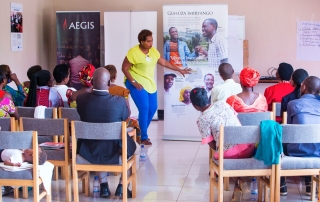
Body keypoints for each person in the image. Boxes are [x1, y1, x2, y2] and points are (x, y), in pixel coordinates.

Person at [122, 29, 191, 145]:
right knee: (144, 108)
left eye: (151, 41)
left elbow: (164, 62)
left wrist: (180, 70)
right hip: (136, 82)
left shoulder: (152, 51)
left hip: (149, 82)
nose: (151, 43)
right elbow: (124, 68)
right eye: (148, 41)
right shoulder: (133, 52)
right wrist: (133, 81)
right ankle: (143, 137)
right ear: (142, 41)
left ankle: (138, 132)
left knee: (153, 108)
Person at [76, 67, 138, 198]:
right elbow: (125, 117)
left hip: (89, 150)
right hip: (115, 150)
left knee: (100, 144)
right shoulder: (120, 101)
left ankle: (104, 185)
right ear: (109, 83)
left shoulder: (81, 100)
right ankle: (122, 186)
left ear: (92, 82)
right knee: (132, 147)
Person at [190, 88, 255, 201]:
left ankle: (240, 181)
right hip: (248, 146)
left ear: (194, 106)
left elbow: (213, 146)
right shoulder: (223, 104)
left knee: (219, 155)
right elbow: (236, 120)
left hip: (230, 154)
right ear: (208, 97)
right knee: (228, 154)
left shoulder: (202, 120)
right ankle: (238, 187)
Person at [281, 76, 320, 196]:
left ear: (303, 87)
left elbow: (289, 131)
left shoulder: (292, 104)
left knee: (281, 138)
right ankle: (309, 184)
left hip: (296, 151)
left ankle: (282, 184)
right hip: (318, 152)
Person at [104, 64, 141, 140]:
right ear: (114, 77)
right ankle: (133, 147)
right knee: (135, 123)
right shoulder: (122, 91)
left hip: (99, 122)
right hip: (118, 123)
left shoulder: (95, 90)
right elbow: (128, 112)